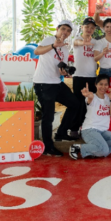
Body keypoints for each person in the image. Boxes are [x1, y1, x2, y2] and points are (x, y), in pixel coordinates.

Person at [33, 20, 80, 157]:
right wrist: (53, 45)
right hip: (43, 83)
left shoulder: (65, 48)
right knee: (48, 116)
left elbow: (60, 68)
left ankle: (61, 133)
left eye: (68, 31)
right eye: (63, 29)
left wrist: (64, 72)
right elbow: (37, 51)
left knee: (74, 104)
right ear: (57, 29)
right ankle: (48, 147)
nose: (65, 32)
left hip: (56, 83)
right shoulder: (49, 39)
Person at [69, 75, 111, 160]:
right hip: (89, 130)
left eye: (106, 84)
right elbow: (90, 97)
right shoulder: (93, 97)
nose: (103, 87)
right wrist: (87, 95)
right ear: (96, 84)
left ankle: (97, 151)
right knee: (104, 150)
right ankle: (78, 148)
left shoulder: (108, 98)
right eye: (101, 84)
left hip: (103, 131)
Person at [62, 17, 100, 139]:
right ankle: (74, 129)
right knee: (78, 104)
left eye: (92, 27)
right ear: (82, 27)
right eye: (87, 26)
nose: (89, 29)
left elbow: (97, 56)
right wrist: (84, 43)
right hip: (79, 77)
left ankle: (87, 129)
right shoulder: (76, 39)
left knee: (90, 104)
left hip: (92, 77)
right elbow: (77, 43)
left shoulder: (96, 42)